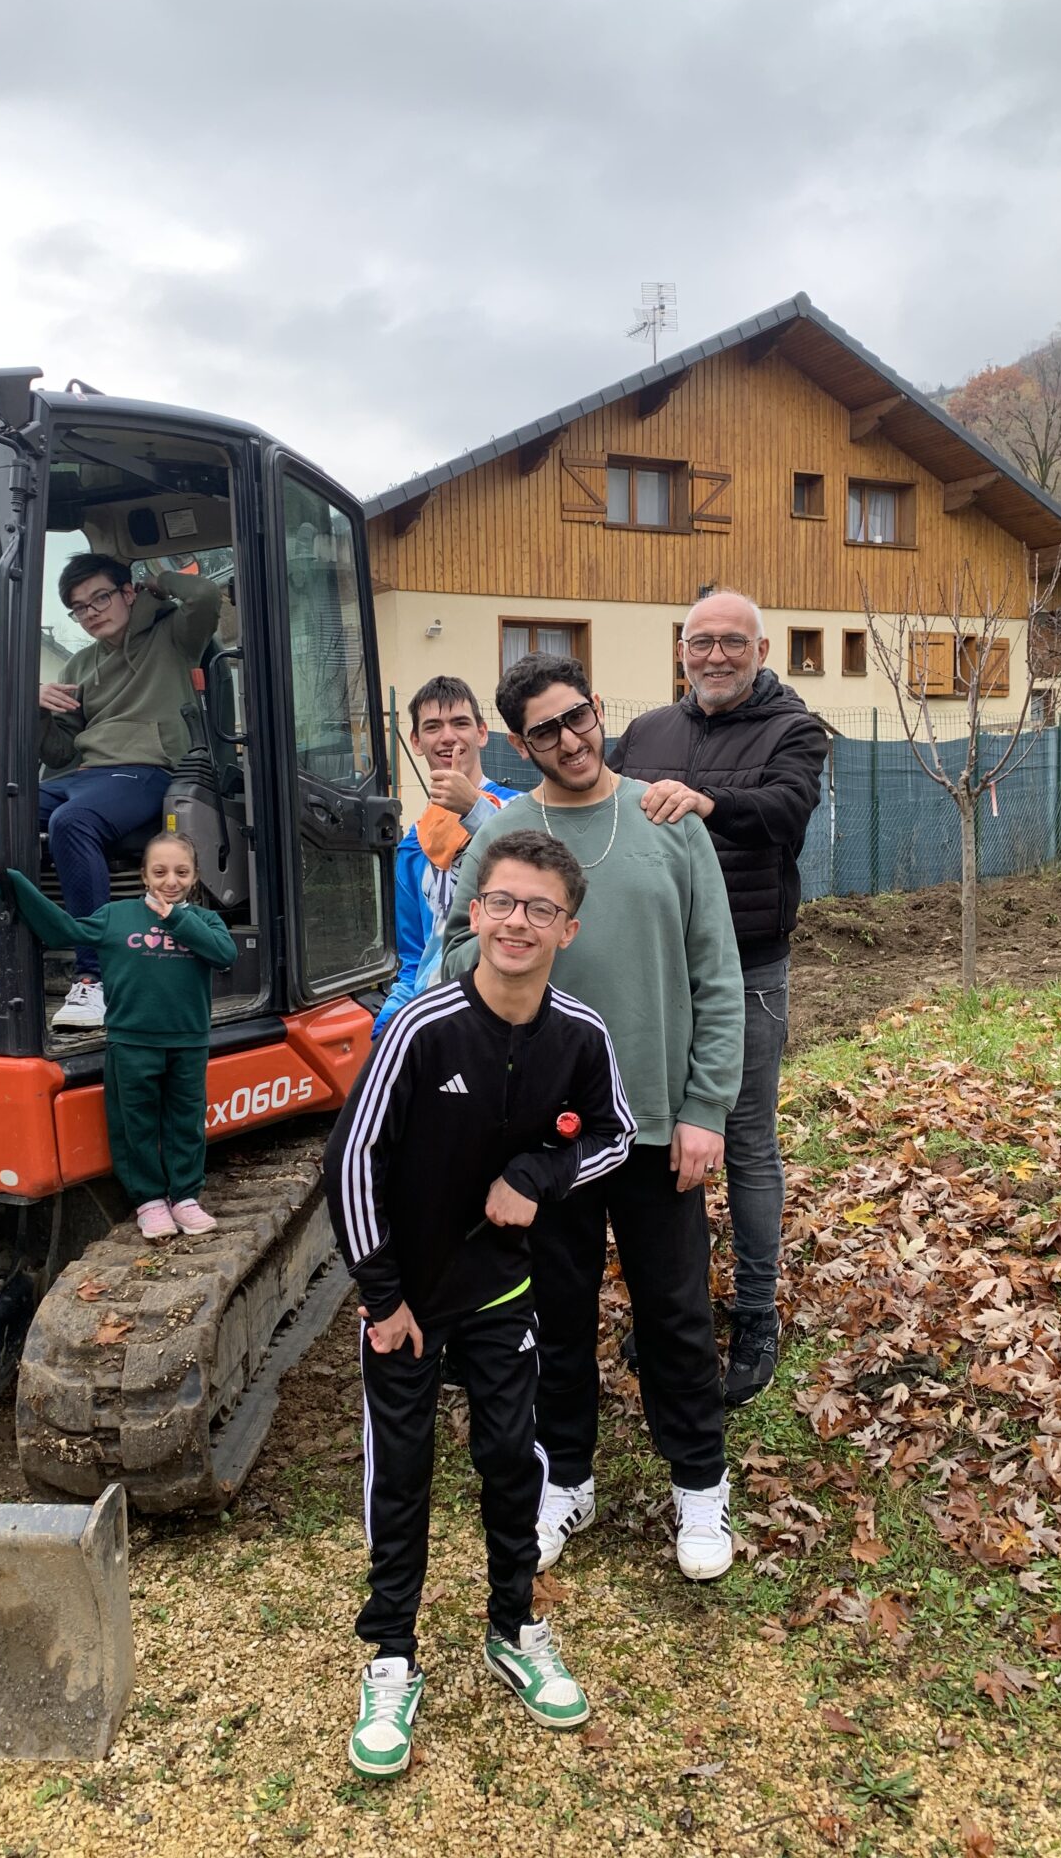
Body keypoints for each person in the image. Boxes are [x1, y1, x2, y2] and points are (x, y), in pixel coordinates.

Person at [326, 831, 636, 1778]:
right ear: (473, 913)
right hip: (406, 1301)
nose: (518, 921)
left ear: (567, 929)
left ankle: (515, 1627)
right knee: (402, 1473)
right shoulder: (423, 1027)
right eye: (503, 902)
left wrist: (538, 1173)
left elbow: (617, 1139)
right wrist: (383, 1299)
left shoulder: (581, 1035)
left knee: (510, 1457)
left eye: (541, 909)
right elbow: (350, 1161)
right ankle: (390, 1656)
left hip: (502, 1288)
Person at [442, 654, 744, 1583]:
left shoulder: (666, 817)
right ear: (516, 742)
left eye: (578, 718)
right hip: (545, 1132)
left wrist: (705, 1109)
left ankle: (700, 1485)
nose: (570, 741)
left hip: (657, 1123)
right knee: (556, 1318)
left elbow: (718, 976)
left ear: (598, 709)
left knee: (676, 1315)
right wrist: (504, 957)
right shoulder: (508, 833)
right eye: (544, 731)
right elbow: (459, 950)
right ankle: (566, 1477)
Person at [608, 591, 826, 1407]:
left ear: (762, 649)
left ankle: (759, 1311)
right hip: (656, 971)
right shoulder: (648, 734)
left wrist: (707, 804)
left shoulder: (795, 730)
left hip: (749, 968)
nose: (716, 656)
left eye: (734, 642)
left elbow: (785, 812)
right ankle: (680, 1301)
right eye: (702, 641)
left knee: (744, 1143)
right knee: (664, 1137)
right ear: (681, 649)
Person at [0, 831, 237, 1240]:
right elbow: (60, 931)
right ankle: (149, 1201)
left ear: (194, 878)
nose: (170, 881)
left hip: (188, 1041)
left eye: (181, 872)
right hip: (132, 1041)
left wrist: (175, 918)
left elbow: (224, 955)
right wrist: (17, 886)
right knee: (134, 1123)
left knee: (186, 1122)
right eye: (159, 871)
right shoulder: (115, 916)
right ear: (144, 875)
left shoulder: (205, 920)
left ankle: (185, 1197)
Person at [40, 553, 223, 1029]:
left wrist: (157, 583)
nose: (91, 612)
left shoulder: (174, 635)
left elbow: (204, 595)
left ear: (127, 593)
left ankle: (95, 978)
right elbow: (60, 753)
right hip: (86, 775)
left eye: (100, 597)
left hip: (148, 769)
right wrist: (36, 710)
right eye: (79, 608)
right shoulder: (80, 664)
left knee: (72, 821)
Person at [371, 676, 520, 1038]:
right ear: (417, 742)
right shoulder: (412, 845)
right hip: (436, 1020)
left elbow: (533, 864)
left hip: (504, 1016)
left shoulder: (519, 809)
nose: (448, 736)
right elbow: (415, 955)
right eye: (433, 727)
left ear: (482, 734)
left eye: (460, 723)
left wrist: (472, 807)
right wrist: (389, 1020)